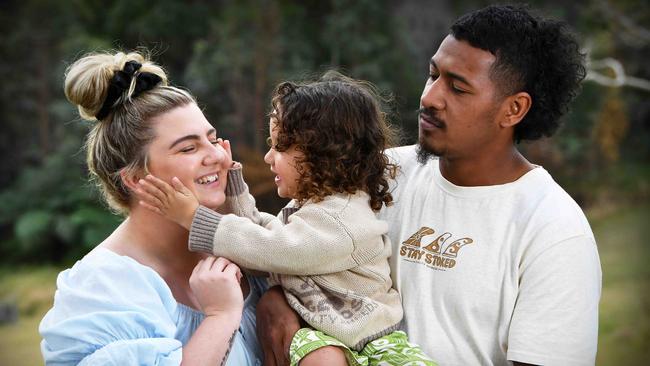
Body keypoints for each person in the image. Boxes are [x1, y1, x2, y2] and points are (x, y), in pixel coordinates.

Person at [255, 4, 602, 366]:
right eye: (433, 74)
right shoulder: (377, 175)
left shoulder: (555, 231)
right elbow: (295, 250)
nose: (430, 97)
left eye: (458, 88)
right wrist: (276, 303)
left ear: (513, 109)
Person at [135, 72, 435, 366]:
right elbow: (261, 239)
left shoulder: (344, 220)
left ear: (321, 155)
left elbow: (272, 248)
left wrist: (193, 217)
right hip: (322, 338)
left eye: (278, 147)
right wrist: (234, 185)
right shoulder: (308, 207)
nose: (268, 157)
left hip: (373, 344)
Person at [39, 51, 264, 365]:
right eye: (188, 148)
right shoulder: (104, 288)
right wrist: (221, 317)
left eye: (213, 140)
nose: (214, 155)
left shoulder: (248, 242)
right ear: (134, 178)